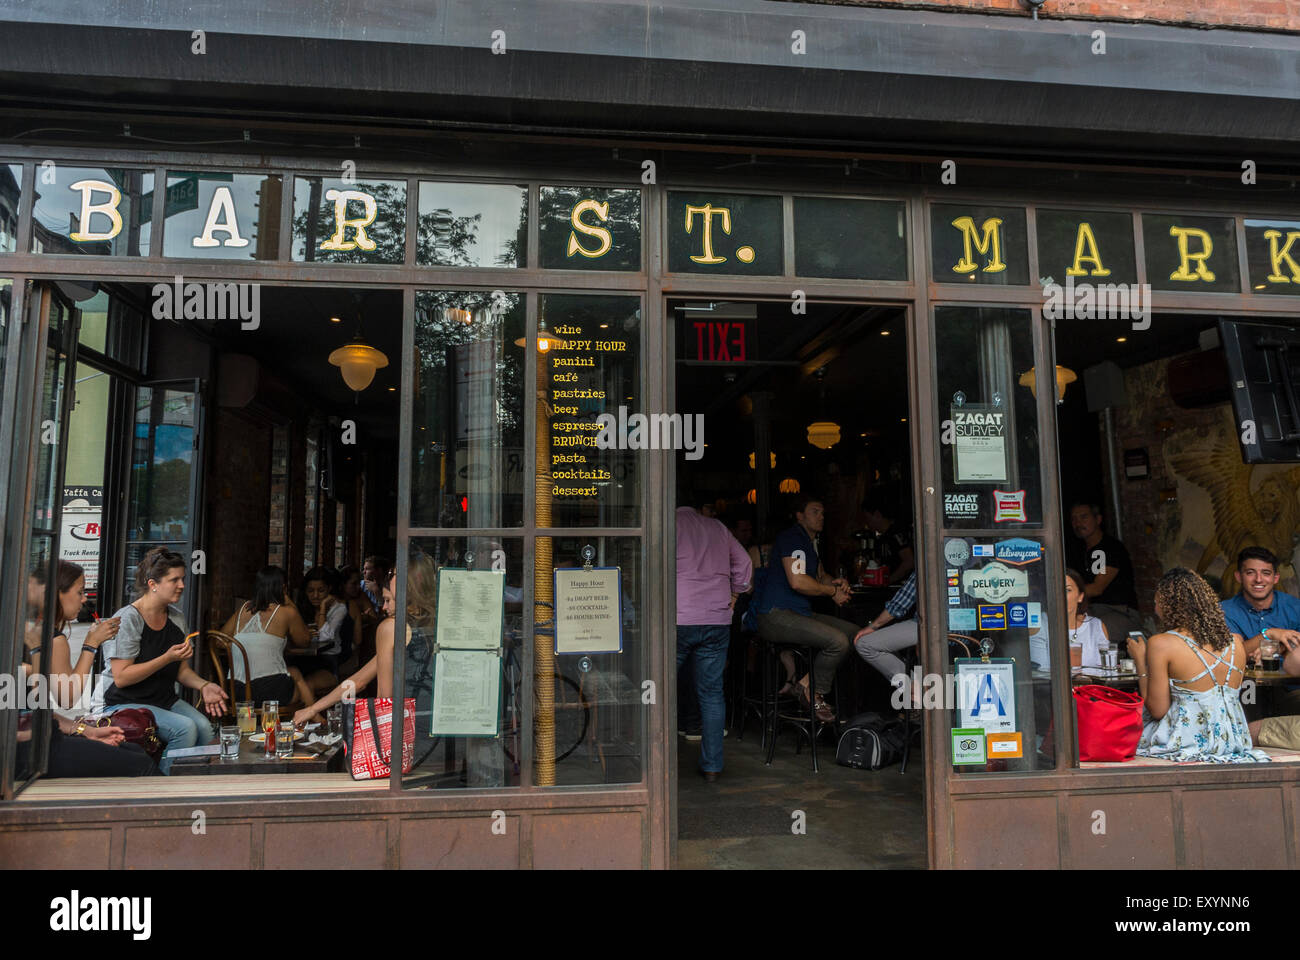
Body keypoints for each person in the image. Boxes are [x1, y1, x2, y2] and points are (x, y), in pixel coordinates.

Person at [93, 547, 228, 774]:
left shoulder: (176, 618)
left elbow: (181, 671)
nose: (182, 585)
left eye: (182, 579)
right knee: (184, 729)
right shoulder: (128, 619)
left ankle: (188, 785)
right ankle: (160, 786)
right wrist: (166, 658)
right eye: (174, 580)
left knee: (205, 728)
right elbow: (122, 677)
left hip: (160, 699)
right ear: (152, 584)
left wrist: (205, 685)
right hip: (121, 701)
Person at [1131, 567, 1268, 763]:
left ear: (1167, 605)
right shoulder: (1236, 642)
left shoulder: (1161, 643)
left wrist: (1140, 661)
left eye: (1156, 602)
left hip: (1185, 742)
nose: (1155, 609)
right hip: (1233, 742)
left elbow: (1158, 710)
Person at [754, 495, 854, 723]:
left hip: (799, 614)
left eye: (823, 513)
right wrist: (831, 593)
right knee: (838, 641)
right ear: (800, 516)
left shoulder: (808, 542)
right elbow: (798, 581)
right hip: (776, 615)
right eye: (815, 512)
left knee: (857, 635)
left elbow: (820, 575)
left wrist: (837, 583)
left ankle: (805, 684)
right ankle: (810, 690)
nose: (821, 517)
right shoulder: (792, 538)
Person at [676, 502, 752, 781]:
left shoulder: (668, 523)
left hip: (678, 617)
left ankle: (652, 767)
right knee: (711, 694)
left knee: (660, 691)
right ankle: (712, 766)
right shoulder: (717, 527)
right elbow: (744, 563)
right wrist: (736, 593)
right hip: (716, 618)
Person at [25, 561, 121, 717]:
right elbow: (68, 698)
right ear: (57, 592)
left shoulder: (23, 624)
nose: (84, 599)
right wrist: (91, 643)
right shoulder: (54, 639)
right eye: (80, 592)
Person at [218, 566, 316, 707]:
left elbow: (219, 640)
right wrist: (292, 604)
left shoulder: (243, 609)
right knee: (296, 673)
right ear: (283, 588)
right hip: (269, 693)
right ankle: (314, 716)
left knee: (291, 672)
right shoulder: (287, 612)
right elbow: (304, 641)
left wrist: (246, 643)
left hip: (236, 692)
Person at [1065, 501, 1141, 646]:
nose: (1078, 523)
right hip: (1091, 611)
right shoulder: (1076, 551)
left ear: (1098, 520)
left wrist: (1063, 593)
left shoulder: (1112, 548)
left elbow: (1097, 588)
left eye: (1084, 517)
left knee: (1090, 631)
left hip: (1120, 612)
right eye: (1074, 519)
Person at [1219, 546, 1300, 661]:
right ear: (1239, 577)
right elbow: (1230, 656)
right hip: (1243, 679)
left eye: (1266, 573)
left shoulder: (1295, 607)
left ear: (1275, 578)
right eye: (1250, 573)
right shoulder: (1224, 611)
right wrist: (1269, 634)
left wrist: (1279, 647)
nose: (1258, 579)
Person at [853, 571, 919, 706]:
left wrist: (873, 626)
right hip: (968, 630)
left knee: (864, 644)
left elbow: (902, 601)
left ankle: (916, 691)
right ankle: (919, 691)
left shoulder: (927, 559)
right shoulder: (971, 558)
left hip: (929, 627)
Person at [296, 566, 351, 695]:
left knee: (306, 684)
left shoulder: (339, 609)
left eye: (320, 590)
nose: (315, 595)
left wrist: (322, 609)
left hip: (327, 662)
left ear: (329, 589)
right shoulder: (302, 608)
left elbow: (325, 637)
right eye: (310, 591)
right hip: (300, 660)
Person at [859, 490, 914, 585]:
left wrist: (888, 580)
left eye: (867, 518)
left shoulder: (896, 533)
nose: (866, 524)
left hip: (901, 588)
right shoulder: (881, 538)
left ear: (877, 515)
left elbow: (909, 562)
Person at [1064, 568, 1109, 667]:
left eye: (1067, 590)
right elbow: (1042, 671)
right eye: (1056, 589)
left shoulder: (1096, 626)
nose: (1061, 595)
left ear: (1080, 596)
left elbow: (1104, 669)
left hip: (1090, 682)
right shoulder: (1042, 624)